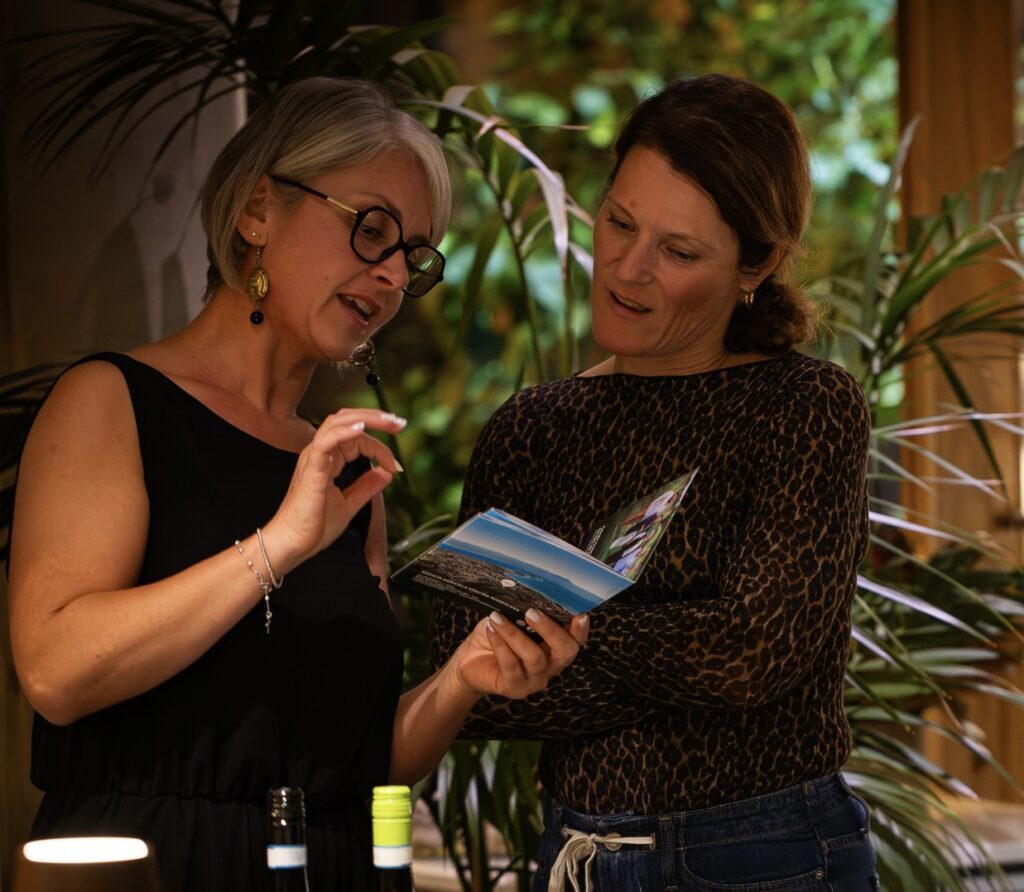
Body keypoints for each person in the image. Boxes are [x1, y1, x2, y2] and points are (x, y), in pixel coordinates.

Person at [7, 77, 587, 892]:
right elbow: (56, 673)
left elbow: (359, 760)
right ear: (257, 211)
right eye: (372, 231)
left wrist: (464, 676)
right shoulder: (112, 400)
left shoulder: (344, 467)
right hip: (157, 866)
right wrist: (280, 543)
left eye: (412, 256)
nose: (392, 275)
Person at [432, 73, 877, 891]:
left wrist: (555, 629)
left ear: (756, 263)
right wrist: (684, 641)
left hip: (766, 857)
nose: (627, 269)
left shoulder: (805, 405)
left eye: (678, 252)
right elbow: (472, 682)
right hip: (577, 856)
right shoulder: (532, 429)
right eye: (619, 222)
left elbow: (752, 654)